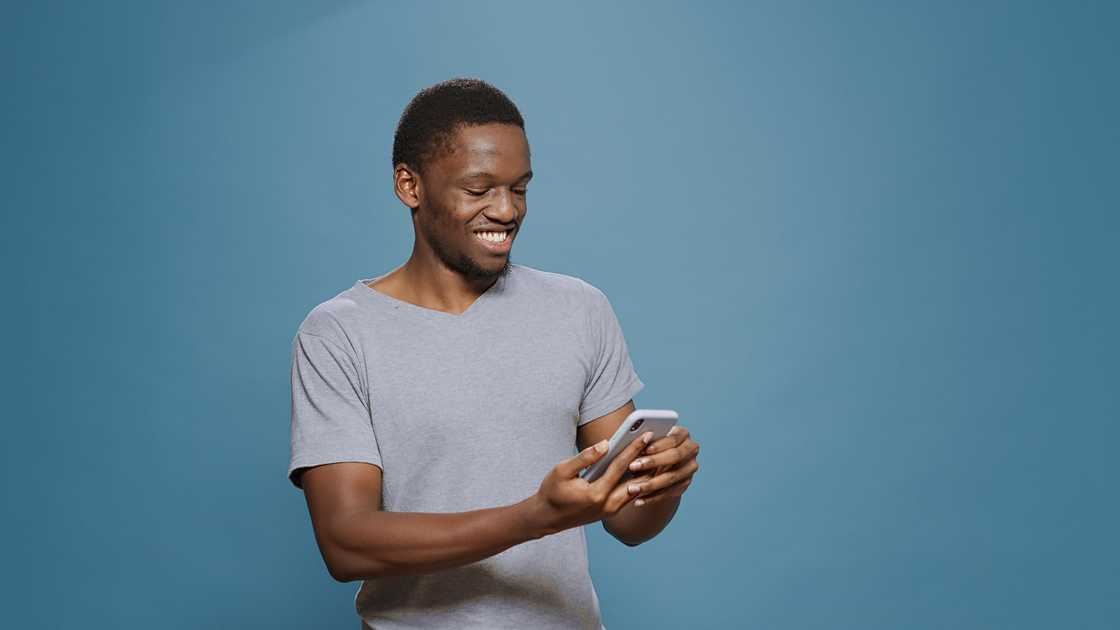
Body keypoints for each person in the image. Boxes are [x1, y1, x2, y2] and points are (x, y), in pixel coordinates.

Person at [287, 77, 701, 629]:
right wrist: (533, 517)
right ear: (410, 186)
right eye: (479, 190)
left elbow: (627, 522)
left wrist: (661, 485)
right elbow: (346, 543)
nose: (506, 211)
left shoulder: (579, 309)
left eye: (520, 188)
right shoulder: (338, 335)